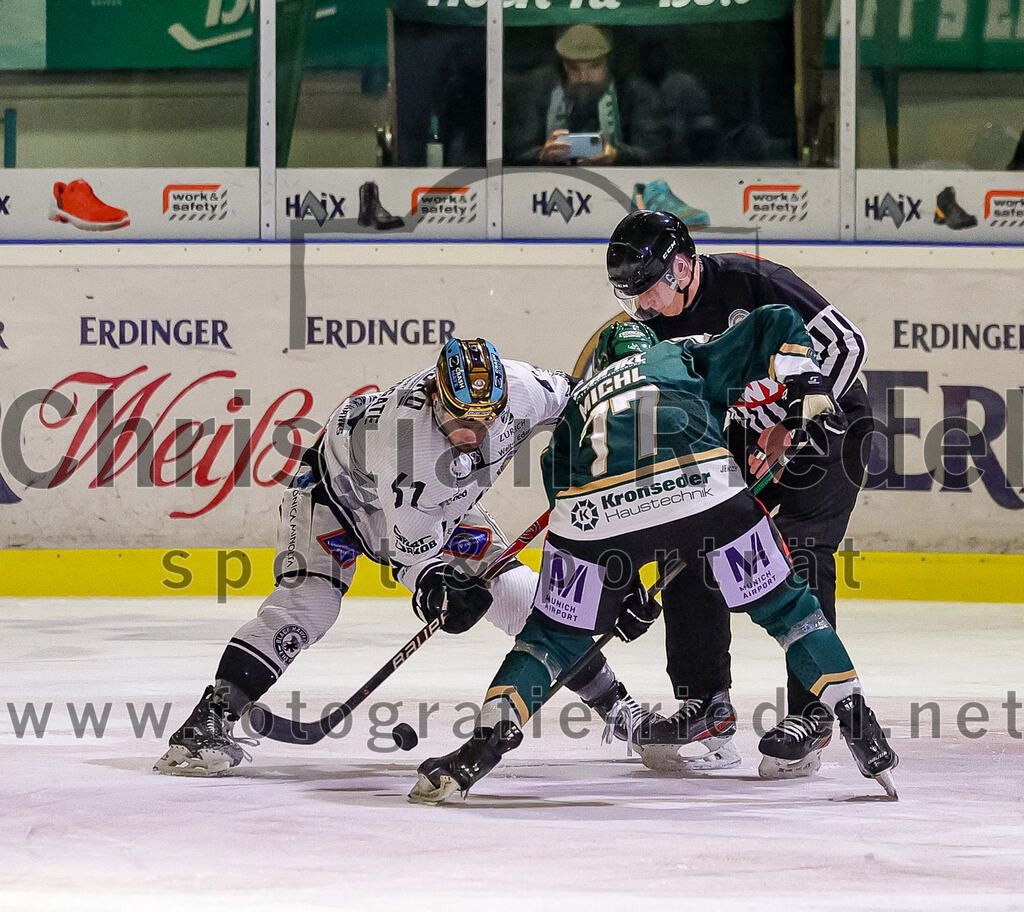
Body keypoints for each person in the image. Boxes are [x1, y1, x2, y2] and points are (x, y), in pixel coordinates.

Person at [408, 313, 897, 806]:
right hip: (704, 491)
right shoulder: (678, 353)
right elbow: (774, 323)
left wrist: (617, 590)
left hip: (593, 516)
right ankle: (861, 726)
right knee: (789, 613)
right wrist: (806, 386)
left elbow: (561, 495)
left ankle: (477, 752)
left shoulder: (578, 399)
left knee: (548, 641)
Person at [155, 338, 646, 776]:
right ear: (437, 396)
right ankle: (204, 725)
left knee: (523, 598)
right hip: (337, 501)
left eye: (487, 419)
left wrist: (624, 439)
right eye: (461, 420)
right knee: (308, 607)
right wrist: (438, 590)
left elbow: (584, 400)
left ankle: (619, 709)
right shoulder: (407, 446)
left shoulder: (521, 389)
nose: (475, 434)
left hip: (440, 502)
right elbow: (409, 553)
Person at [604, 209, 873, 780]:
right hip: (750, 435)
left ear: (681, 267)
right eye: (632, 298)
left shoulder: (756, 283)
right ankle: (706, 703)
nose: (643, 308)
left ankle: (812, 713)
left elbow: (848, 346)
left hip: (830, 428)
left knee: (799, 552)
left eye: (648, 290)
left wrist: (793, 422)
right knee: (692, 542)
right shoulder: (655, 327)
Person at [504, 24, 664, 167]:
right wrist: (542, 155)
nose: (584, 77)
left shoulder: (635, 93)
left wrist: (617, 155)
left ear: (610, 63)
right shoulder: (539, 90)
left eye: (595, 66)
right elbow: (512, 153)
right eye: (573, 67)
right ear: (562, 67)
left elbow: (656, 154)